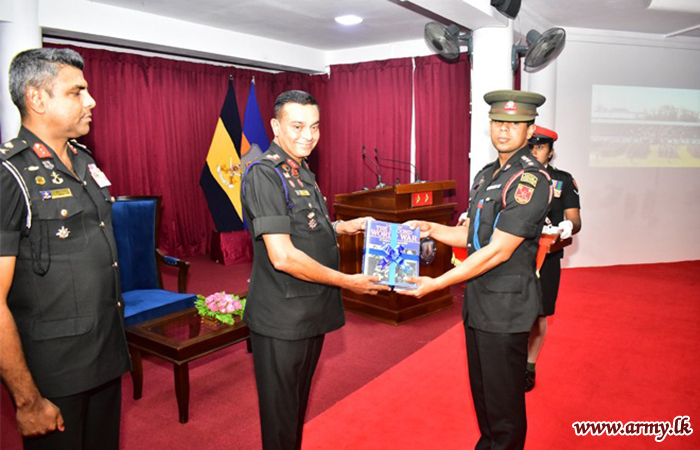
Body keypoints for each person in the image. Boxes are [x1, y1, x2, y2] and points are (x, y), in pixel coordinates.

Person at [240, 90, 390, 450]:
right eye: (297, 126)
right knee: (280, 417)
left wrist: (343, 227)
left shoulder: (300, 168)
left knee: (294, 407)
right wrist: (347, 282)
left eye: (315, 126)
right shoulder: (265, 174)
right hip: (282, 317)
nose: (308, 135)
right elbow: (283, 256)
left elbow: (303, 226)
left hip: (310, 309)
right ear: (276, 127)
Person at [405, 90, 552, 449]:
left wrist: (437, 283)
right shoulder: (487, 175)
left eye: (514, 124)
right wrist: (431, 228)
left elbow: (498, 251)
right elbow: (473, 236)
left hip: (505, 309)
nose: (503, 129)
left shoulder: (530, 180)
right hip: (480, 303)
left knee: (503, 407)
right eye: (498, 121)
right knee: (484, 396)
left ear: (530, 130)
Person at [0, 48, 130, 449]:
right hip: (56, 372)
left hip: (104, 352)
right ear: (37, 98)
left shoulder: (84, 160)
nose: (91, 101)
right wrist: (27, 399)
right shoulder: (9, 175)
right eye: (77, 92)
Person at [525, 125, 581, 392]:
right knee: (512, 312)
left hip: (547, 258)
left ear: (550, 151)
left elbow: (575, 219)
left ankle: (529, 366)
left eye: (541, 147)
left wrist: (569, 226)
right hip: (515, 255)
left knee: (539, 314)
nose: (535, 152)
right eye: (531, 147)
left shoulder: (563, 180)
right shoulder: (516, 177)